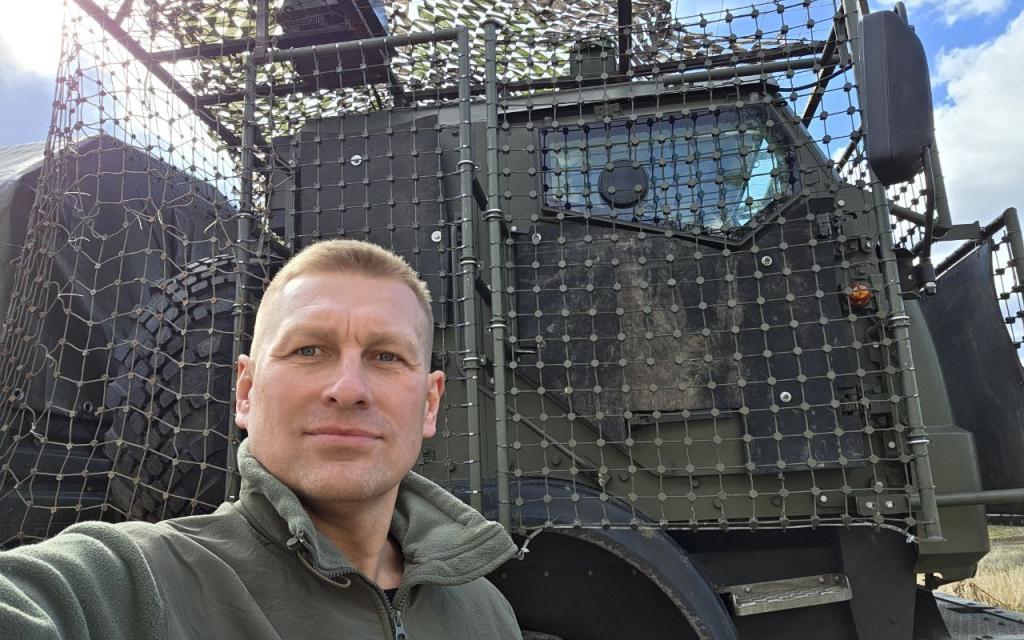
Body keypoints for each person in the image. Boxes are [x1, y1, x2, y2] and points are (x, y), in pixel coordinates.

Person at [0, 239, 522, 639]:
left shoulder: (488, 612)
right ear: (246, 392)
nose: (348, 389)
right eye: (308, 350)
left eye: (386, 356)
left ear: (430, 403)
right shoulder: (137, 581)